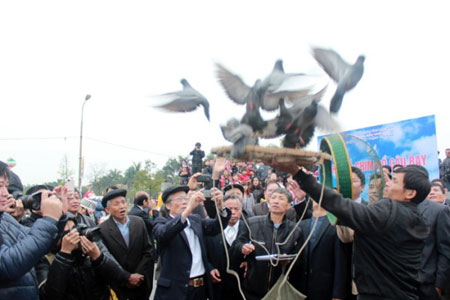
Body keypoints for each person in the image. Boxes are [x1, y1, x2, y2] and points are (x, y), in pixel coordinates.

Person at [271, 162, 430, 300]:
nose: (387, 183)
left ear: (410, 193)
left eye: (394, 181)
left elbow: (342, 207)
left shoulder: (390, 210)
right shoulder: (418, 218)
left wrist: (298, 173)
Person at [0, 161, 66, 299]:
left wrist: (59, 217)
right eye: (0, 186)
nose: (6, 194)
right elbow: (7, 265)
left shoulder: (4, 219)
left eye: (6, 187)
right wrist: (48, 221)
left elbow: (37, 245)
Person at [152, 185, 231, 300]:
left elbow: (216, 227)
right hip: (175, 291)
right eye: (179, 199)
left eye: (186, 199)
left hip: (199, 289)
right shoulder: (161, 222)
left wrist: (221, 206)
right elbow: (163, 234)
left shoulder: (195, 220)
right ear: (168, 205)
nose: (184, 202)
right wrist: (188, 209)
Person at [231, 187, 303, 300]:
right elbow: (236, 245)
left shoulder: (295, 230)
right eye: (273, 198)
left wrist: (289, 260)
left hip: (279, 289)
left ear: (288, 205)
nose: (276, 201)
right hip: (253, 288)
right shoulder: (252, 223)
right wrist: (242, 247)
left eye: (281, 198)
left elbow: (299, 258)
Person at [39, 216, 127, 300]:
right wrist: (64, 254)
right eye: (66, 228)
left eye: (74, 228)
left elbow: (118, 278)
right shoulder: (45, 258)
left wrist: (98, 258)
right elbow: (49, 296)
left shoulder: (89, 249)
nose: (73, 234)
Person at [99, 189, 153, 300]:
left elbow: (148, 251)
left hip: (140, 284)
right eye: (116, 204)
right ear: (107, 210)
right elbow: (106, 259)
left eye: (123, 202)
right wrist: (126, 278)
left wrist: (137, 276)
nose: (122, 206)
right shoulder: (102, 229)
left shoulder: (138, 222)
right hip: (118, 286)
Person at [291, 198, 348, 300]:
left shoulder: (336, 225)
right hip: (302, 287)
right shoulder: (302, 225)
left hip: (326, 287)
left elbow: (340, 260)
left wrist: (338, 293)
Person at [205, 194, 245, 300]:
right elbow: (203, 253)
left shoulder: (248, 228)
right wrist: (210, 268)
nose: (233, 212)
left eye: (237, 209)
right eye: (229, 209)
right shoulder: (210, 229)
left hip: (241, 286)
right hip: (217, 284)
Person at [417, 196, 450, 299]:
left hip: (426, 285)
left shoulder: (439, 211)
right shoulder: (391, 209)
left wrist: (440, 285)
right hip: (396, 284)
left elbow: (445, 249)